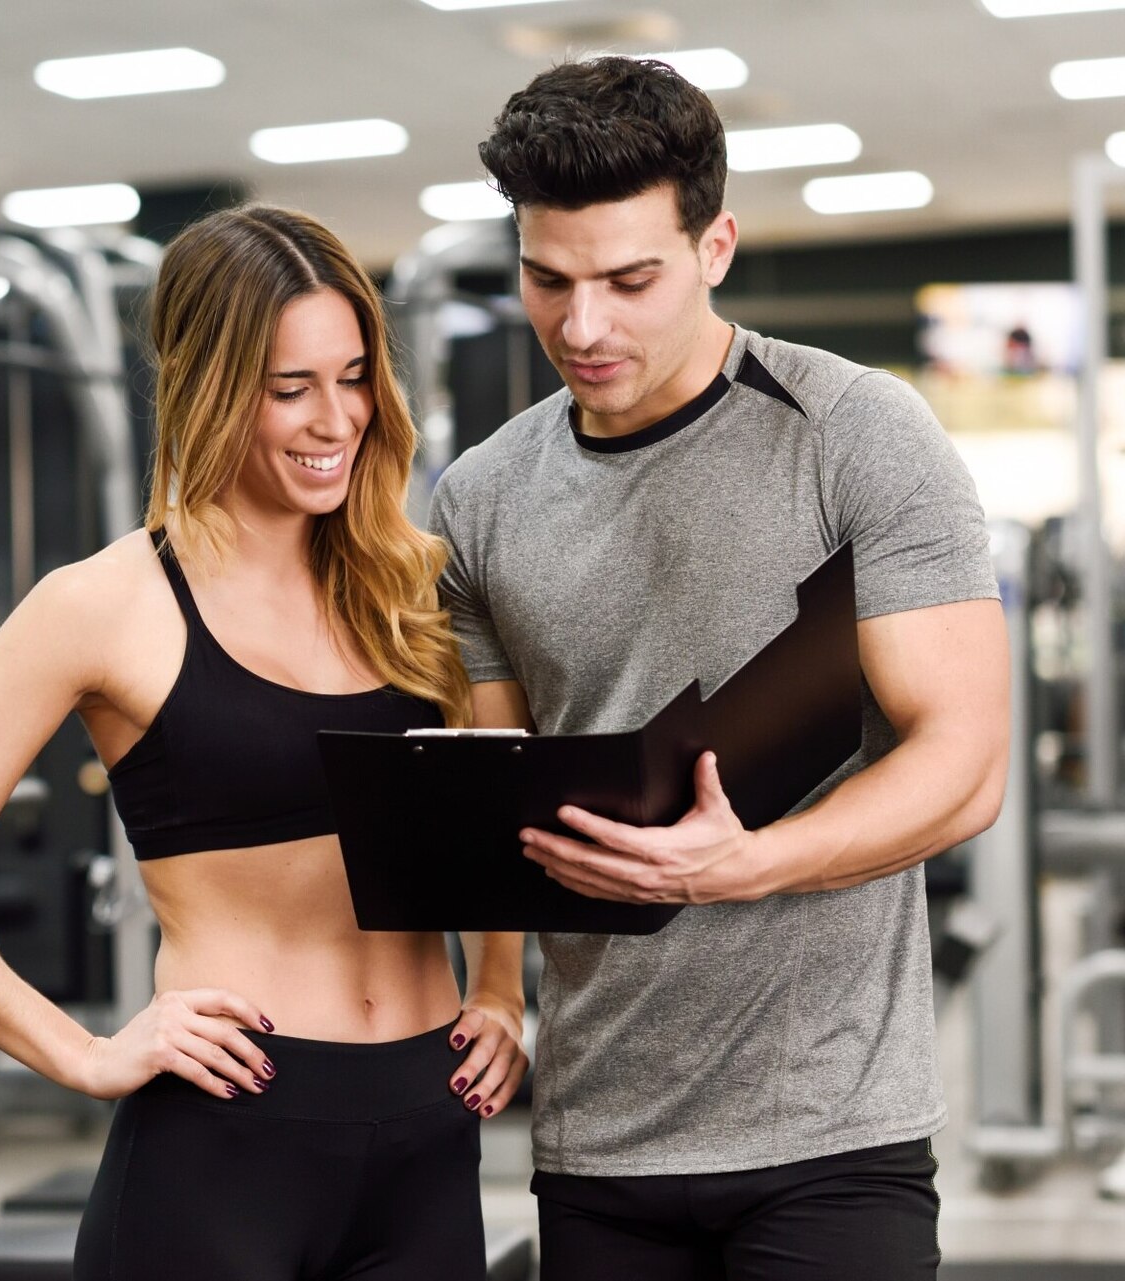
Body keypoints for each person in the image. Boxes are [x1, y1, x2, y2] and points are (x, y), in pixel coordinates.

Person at [0, 204, 527, 1280]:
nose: (334, 419)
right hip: (226, 1144)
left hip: (427, 1135)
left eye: (352, 378)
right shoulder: (102, 606)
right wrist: (85, 1052)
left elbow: (498, 797)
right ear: (208, 388)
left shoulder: (416, 586)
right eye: (290, 389)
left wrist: (498, 987)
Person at [429, 57, 1009, 1281]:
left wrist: (745, 866)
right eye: (548, 281)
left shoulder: (856, 434)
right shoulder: (481, 497)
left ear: (716, 247)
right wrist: (491, 989)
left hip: (831, 1135)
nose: (582, 328)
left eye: (630, 280)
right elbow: (498, 784)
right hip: (599, 1144)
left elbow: (963, 765)